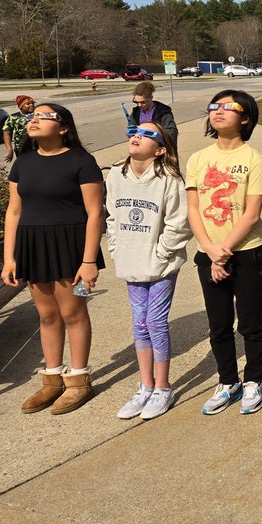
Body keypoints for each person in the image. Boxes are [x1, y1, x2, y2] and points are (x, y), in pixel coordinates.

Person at [1, 103, 105, 415]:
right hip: (32, 245)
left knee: (73, 313)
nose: (34, 120)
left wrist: (89, 261)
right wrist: (9, 257)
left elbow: (95, 213)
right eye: (33, 116)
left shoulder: (82, 161)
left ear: (63, 128)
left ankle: (78, 381)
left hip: (70, 247)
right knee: (47, 316)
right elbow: (14, 211)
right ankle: (52, 380)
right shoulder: (24, 162)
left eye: (44, 116)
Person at [185, 89, 262, 416]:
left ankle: (253, 379)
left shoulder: (253, 158)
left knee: (250, 322)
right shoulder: (198, 159)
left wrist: (225, 250)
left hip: (247, 252)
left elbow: (252, 213)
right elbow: (193, 209)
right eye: (214, 107)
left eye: (228, 107)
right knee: (218, 324)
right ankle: (228, 381)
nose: (218, 111)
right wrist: (211, 251)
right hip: (208, 252)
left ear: (245, 118)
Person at [106, 122, 193, 421]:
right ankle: (145, 386)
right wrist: (117, 248)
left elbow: (180, 223)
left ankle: (163, 388)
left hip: (161, 265)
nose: (137, 136)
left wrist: (162, 253)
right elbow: (112, 216)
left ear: (160, 150)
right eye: (133, 132)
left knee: (155, 322)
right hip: (131, 262)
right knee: (139, 323)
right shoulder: (116, 174)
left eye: (147, 134)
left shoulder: (169, 179)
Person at [129, 80, 178, 146]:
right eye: (136, 102)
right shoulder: (135, 113)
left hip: (159, 148)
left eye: (143, 102)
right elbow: (131, 130)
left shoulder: (163, 111)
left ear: (151, 98)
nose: (139, 105)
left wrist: (154, 135)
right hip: (142, 149)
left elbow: (172, 132)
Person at [2, 94, 35, 162]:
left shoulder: (38, 115)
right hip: (22, 148)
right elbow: (7, 132)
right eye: (28, 104)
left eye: (33, 103)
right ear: (21, 106)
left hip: (39, 147)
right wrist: (10, 150)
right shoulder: (14, 117)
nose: (31, 105)